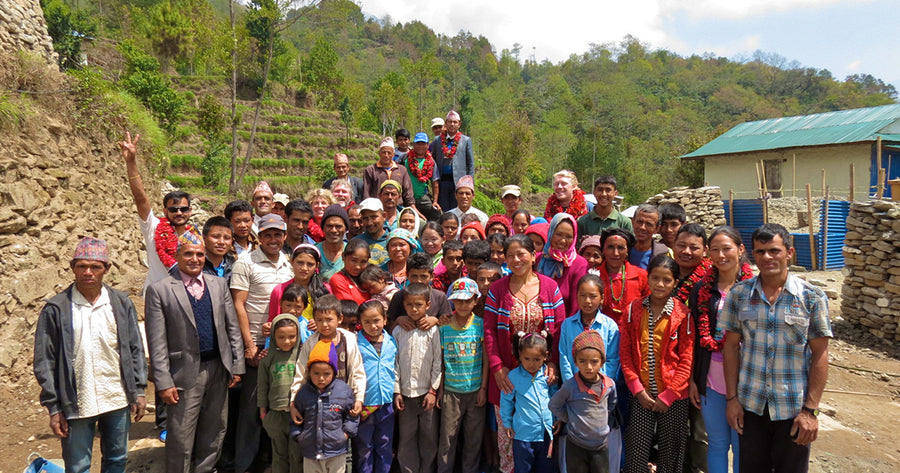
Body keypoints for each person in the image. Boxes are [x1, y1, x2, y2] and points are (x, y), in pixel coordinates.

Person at [720, 224, 831, 473]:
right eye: (760, 252)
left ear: (789, 252)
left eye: (774, 251)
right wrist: (732, 399)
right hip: (751, 405)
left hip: (792, 409)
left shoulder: (812, 298)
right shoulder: (739, 295)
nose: (767, 258)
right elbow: (730, 347)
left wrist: (810, 411)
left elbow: (820, 355)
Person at [34, 238, 147, 473]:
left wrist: (138, 390)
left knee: (117, 458)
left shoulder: (120, 303)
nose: (88, 272)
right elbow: (45, 360)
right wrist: (54, 408)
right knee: (78, 465)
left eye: (95, 267)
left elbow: (134, 348)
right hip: (76, 400)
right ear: (72, 268)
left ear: (106, 269)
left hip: (116, 395)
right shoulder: (57, 309)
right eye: (82, 266)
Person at [145, 233, 245, 473]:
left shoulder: (218, 284)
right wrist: (163, 381)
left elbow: (232, 327)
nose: (195, 259)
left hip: (218, 369)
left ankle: (205, 469)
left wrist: (237, 366)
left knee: (215, 429)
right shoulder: (160, 290)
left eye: (200, 254)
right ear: (177, 256)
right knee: (181, 434)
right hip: (184, 373)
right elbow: (156, 341)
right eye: (188, 253)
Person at [484, 234, 565, 473]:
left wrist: (553, 364)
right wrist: (498, 367)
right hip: (508, 376)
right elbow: (489, 331)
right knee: (508, 437)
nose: (516, 259)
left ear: (533, 256)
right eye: (510, 255)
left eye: (521, 254)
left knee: (540, 439)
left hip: (541, 378)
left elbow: (558, 330)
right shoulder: (498, 289)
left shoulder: (550, 287)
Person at [230, 213, 294, 473]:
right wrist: (249, 346)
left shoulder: (289, 264)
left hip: (282, 347)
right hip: (257, 345)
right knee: (251, 410)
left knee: (275, 407)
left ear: (284, 236)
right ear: (259, 236)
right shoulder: (245, 263)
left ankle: (270, 462)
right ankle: (243, 466)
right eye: (267, 234)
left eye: (277, 234)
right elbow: (238, 305)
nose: (272, 239)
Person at [620, 255, 694, 473]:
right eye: (655, 278)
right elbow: (626, 355)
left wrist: (670, 394)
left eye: (667, 280)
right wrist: (637, 390)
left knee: (670, 456)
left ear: (675, 283)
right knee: (636, 454)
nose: (660, 284)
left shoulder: (683, 315)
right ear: (648, 279)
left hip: (673, 398)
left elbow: (686, 359)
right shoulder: (633, 311)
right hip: (642, 396)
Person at [688, 226, 752, 473]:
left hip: (746, 380)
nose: (721, 255)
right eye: (715, 249)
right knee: (717, 443)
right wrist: (695, 379)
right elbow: (694, 337)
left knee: (741, 444)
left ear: (740, 249)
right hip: (712, 380)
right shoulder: (701, 290)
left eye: (727, 248)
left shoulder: (753, 289)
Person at [557, 275, 622, 473]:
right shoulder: (568, 325)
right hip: (574, 391)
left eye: (593, 296)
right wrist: (577, 384)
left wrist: (596, 382)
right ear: (576, 296)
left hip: (600, 392)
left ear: (602, 298)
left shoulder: (610, 326)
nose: (587, 301)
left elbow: (612, 360)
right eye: (583, 295)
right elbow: (565, 357)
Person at [120, 131, 198, 292]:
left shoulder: (196, 237)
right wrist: (131, 162)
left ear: (190, 211)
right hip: (157, 295)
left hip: (186, 294)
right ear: (165, 211)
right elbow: (140, 198)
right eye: (173, 209)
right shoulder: (154, 227)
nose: (179, 213)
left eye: (183, 209)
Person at [438, 278, 488, 473]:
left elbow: (485, 361)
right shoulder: (444, 327)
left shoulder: (480, 325)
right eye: (458, 301)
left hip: (475, 391)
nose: (463, 305)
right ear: (452, 302)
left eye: (467, 300)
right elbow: (440, 363)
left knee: (473, 439)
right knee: (447, 439)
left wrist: (483, 388)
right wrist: (440, 390)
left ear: (475, 301)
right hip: (451, 392)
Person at [551, 330, 618, 473]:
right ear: (575, 362)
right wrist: (569, 417)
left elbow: (612, 402)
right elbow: (554, 405)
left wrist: (604, 415)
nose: (588, 367)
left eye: (594, 362)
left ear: (602, 362)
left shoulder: (609, 384)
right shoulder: (570, 386)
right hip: (576, 445)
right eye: (582, 361)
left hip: (601, 445)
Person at [392, 283, 443, 473]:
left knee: (429, 438)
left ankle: (427, 470)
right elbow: (394, 363)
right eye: (410, 305)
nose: (414, 309)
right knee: (406, 438)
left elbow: (438, 362)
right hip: (406, 395)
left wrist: (433, 390)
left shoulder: (433, 331)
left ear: (427, 305)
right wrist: (397, 391)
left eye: (419, 305)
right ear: (404, 306)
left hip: (427, 394)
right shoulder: (398, 331)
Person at [290, 295, 366, 419]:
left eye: (329, 319)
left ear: (339, 319)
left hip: (344, 399)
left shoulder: (349, 339)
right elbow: (301, 373)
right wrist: (293, 402)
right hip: (317, 401)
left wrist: (359, 398)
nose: (324, 324)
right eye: (319, 320)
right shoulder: (311, 342)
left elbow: (357, 371)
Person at [290, 340, 359, 473]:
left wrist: (345, 434)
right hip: (310, 452)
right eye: (316, 373)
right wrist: (298, 436)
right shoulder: (303, 393)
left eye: (326, 374)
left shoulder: (343, 391)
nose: (321, 378)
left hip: (336, 451)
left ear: (333, 372)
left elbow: (352, 415)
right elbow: (295, 418)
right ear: (309, 372)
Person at [499, 331, 558, 473]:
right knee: (524, 468)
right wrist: (506, 423)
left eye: (536, 359)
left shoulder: (547, 376)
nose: (531, 364)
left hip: (545, 433)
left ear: (545, 356)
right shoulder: (513, 376)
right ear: (519, 355)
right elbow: (506, 401)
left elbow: (555, 398)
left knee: (546, 468)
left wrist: (558, 418)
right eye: (527, 359)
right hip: (523, 435)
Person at [355, 301, 398, 473]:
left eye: (376, 320)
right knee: (365, 447)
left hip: (386, 404)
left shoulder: (391, 341)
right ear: (360, 322)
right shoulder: (355, 343)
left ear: (385, 320)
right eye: (367, 322)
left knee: (385, 444)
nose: (373, 326)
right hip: (364, 403)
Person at [258, 314, 303, 473]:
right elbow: (262, 385)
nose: (286, 341)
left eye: (292, 337)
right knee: (278, 453)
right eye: (281, 337)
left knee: (297, 454)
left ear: (298, 336)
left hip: (297, 415)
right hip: (275, 414)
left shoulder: (301, 355)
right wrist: (263, 413)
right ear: (273, 336)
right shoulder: (267, 357)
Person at [537, 213, 589, 317]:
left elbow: (577, 306)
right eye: (559, 234)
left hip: (564, 326)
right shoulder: (539, 259)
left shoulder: (579, 264)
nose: (563, 240)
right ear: (551, 233)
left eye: (568, 236)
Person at [267, 244, 331, 325]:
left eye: (310, 264)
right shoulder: (280, 290)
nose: (304, 268)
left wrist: (319, 322)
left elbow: (331, 317)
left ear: (317, 266)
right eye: (300, 263)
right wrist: (268, 327)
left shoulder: (325, 289)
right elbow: (273, 320)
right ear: (292, 261)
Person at [596, 228, 648, 324]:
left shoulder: (641, 276)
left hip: (633, 332)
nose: (615, 253)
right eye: (610, 247)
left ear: (627, 251)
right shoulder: (594, 276)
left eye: (621, 248)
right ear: (603, 250)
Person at [431, 110, 475, 211]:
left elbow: (470, 164)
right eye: (450, 122)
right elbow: (433, 160)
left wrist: (470, 184)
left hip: (459, 182)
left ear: (459, 124)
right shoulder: (438, 140)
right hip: (442, 182)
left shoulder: (466, 140)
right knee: (444, 210)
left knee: (458, 209)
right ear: (445, 123)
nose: (452, 124)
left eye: (455, 122)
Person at [363, 137, 415, 207]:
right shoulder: (371, 170)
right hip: (378, 207)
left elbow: (408, 192)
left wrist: (412, 206)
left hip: (397, 207)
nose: (386, 155)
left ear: (393, 154)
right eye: (383, 152)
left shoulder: (402, 170)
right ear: (379, 153)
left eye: (389, 153)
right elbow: (366, 193)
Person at [403, 131, 442, 221]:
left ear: (427, 145)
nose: (420, 146)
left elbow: (435, 182)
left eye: (423, 144)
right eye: (418, 144)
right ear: (414, 145)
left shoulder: (431, 162)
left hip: (422, 197)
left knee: (438, 215)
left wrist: (435, 201)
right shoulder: (405, 158)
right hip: (406, 197)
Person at [672, 223, 712, 305]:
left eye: (693, 248)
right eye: (681, 245)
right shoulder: (664, 273)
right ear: (673, 246)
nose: (686, 251)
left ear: (705, 250)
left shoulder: (711, 279)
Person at [628, 204, 670, 270]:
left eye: (649, 224)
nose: (642, 227)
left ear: (657, 229)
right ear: (633, 222)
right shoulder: (622, 251)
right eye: (640, 222)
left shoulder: (664, 254)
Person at [330, 239, 371, 305]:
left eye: (363, 262)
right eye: (353, 261)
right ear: (343, 257)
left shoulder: (370, 277)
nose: (358, 266)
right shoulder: (338, 279)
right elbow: (349, 309)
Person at [352, 198, 390, 266]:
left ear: (384, 216)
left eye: (374, 217)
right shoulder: (355, 243)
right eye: (365, 218)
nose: (369, 223)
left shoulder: (393, 240)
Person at [317, 204, 349, 282]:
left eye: (338, 226)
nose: (334, 230)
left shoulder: (351, 251)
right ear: (323, 228)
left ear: (346, 229)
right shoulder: (315, 251)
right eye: (329, 226)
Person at [198, 216, 236, 281]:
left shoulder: (234, 265)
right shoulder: (196, 263)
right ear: (204, 237)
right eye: (215, 237)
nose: (221, 242)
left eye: (227, 238)